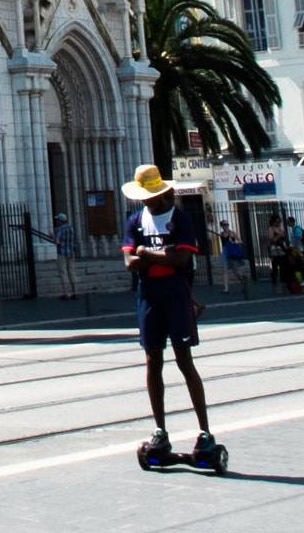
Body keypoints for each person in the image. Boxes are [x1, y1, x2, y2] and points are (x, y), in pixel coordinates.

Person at [121, 163, 214, 463]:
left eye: (150, 195)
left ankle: (204, 431)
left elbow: (181, 259)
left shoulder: (180, 220)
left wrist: (145, 253)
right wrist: (160, 256)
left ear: (163, 193)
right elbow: (129, 264)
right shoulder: (134, 220)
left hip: (176, 293)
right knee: (152, 360)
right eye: (142, 195)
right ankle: (160, 428)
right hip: (148, 295)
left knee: (184, 359)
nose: (145, 200)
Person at [218, 220, 250, 294]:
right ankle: (226, 289)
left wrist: (233, 242)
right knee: (225, 270)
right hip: (225, 252)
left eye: (227, 224)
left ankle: (243, 282)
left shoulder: (232, 233)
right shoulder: (221, 234)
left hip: (232, 252)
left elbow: (240, 241)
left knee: (236, 271)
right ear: (222, 226)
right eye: (224, 225)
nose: (226, 226)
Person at [50, 213, 77, 300]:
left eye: (58, 220)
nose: (57, 221)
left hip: (62, 252)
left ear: (60, 221)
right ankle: (74, 292)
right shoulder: (71, 228)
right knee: (71, 272)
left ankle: (66, 293)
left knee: (63, 272)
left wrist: (52, 238)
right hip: (71, 253)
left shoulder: (60, 229)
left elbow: (57, 242)